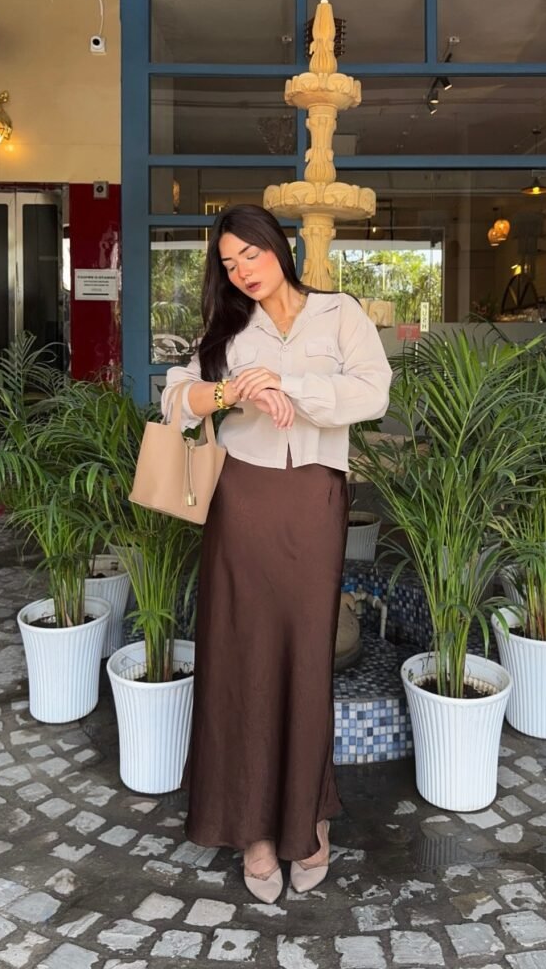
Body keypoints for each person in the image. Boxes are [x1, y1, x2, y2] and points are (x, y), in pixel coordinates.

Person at [161, 204, 392, 903]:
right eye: (228, 264)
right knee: (241, 658)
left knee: (305, 657)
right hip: (242, 504)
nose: (241, 272)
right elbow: (175, 399)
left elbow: (372, 390)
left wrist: (287, 387)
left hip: (314, 500)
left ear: (277, 248)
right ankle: (254, 833)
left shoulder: (339, 312)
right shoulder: (228, 327)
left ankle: (306, 823)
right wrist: (235, 388)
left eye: (249, 256)